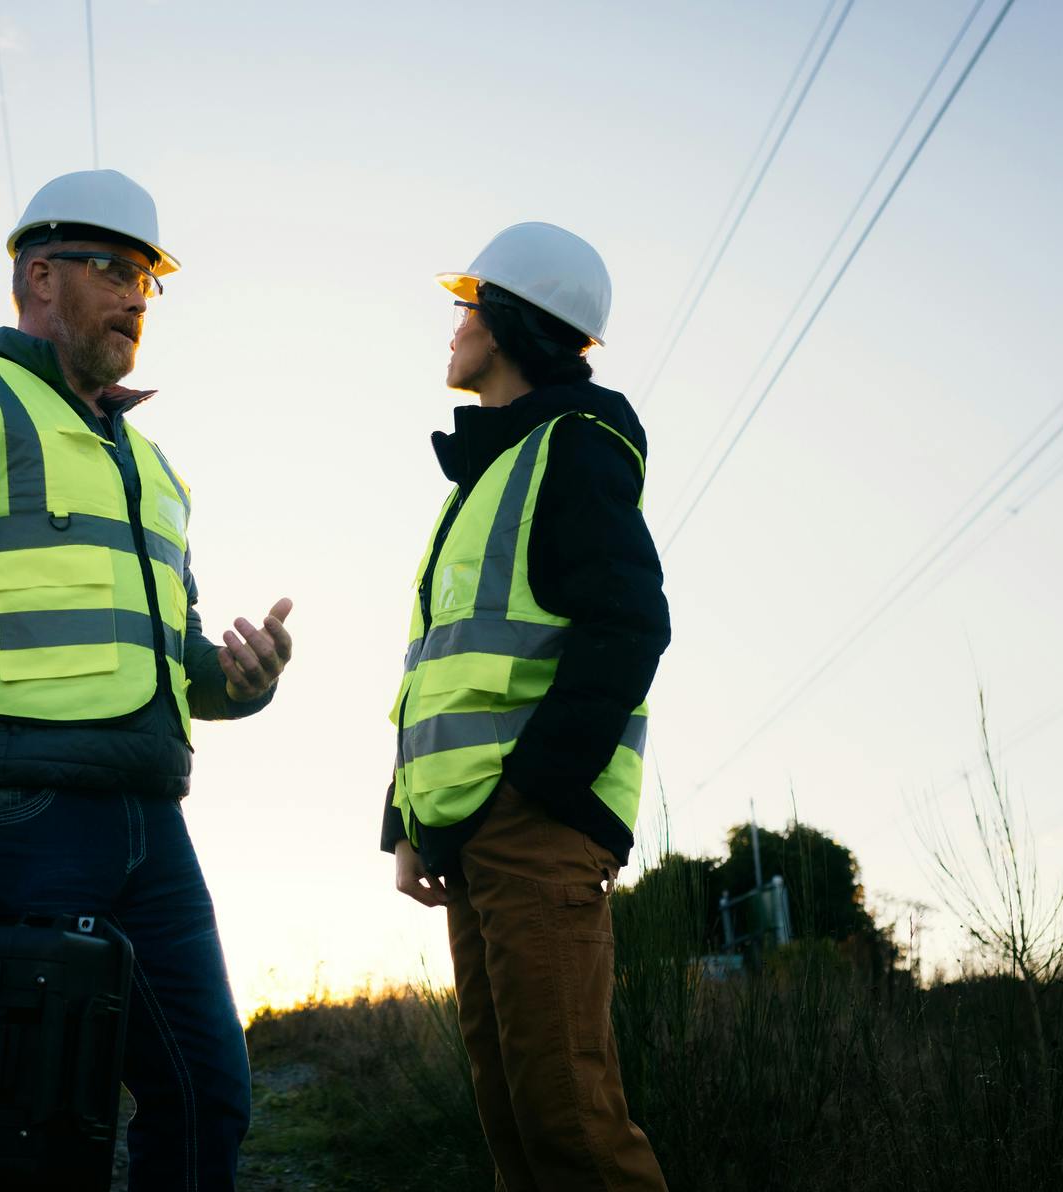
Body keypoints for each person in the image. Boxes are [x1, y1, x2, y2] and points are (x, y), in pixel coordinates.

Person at [0, 168, 293, 1190]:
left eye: (149, 279)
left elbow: (166, 661)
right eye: (117, 269)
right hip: (15, 819)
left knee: (205, 1092)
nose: (138, 295)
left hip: (150, 825)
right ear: (39, 276)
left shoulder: (150, 464)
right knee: (31, 1122)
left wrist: (240, 681)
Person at [382, 222, 670, 1190]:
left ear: (506, 322)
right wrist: (405, 820)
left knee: (572, 1131)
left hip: (530, 831)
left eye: (466, 303)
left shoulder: (573, 452)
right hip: (469, 835)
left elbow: (627, 627)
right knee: (515, 1130)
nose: (453, 323)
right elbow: (436, 671)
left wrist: (536, 792)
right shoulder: (483, 477)